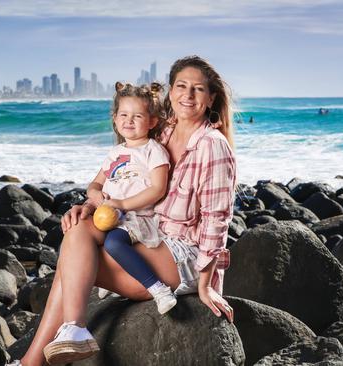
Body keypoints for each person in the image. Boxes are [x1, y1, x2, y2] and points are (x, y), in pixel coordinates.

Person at [12, 55, 237, 366]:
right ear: (170, 92)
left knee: (73, 259)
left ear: (211, 97)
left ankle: (35, 360)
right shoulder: (164, 131)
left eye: (198, 89)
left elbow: (217, 218)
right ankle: (64, 338)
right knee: (77, 232)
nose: (188, 95)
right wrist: (90, 204)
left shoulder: (212, 145)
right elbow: (125, 176)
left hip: (184, 254)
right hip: (148, 233)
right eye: (181, 86)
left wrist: (206, 282)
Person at [88, 81, 177, 315]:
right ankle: (112, 280)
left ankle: (158, 288)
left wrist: (122, 204)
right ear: (115, 119)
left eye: (137, 116)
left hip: (138, 216)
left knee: (114, 243)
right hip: (112, 215)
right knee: (83, 239)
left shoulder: (153, 150)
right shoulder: (116, 153)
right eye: (124, 115)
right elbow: (95, 184)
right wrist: (95, 194)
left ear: (152, 122)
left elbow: (158, 189)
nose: (129, 121)